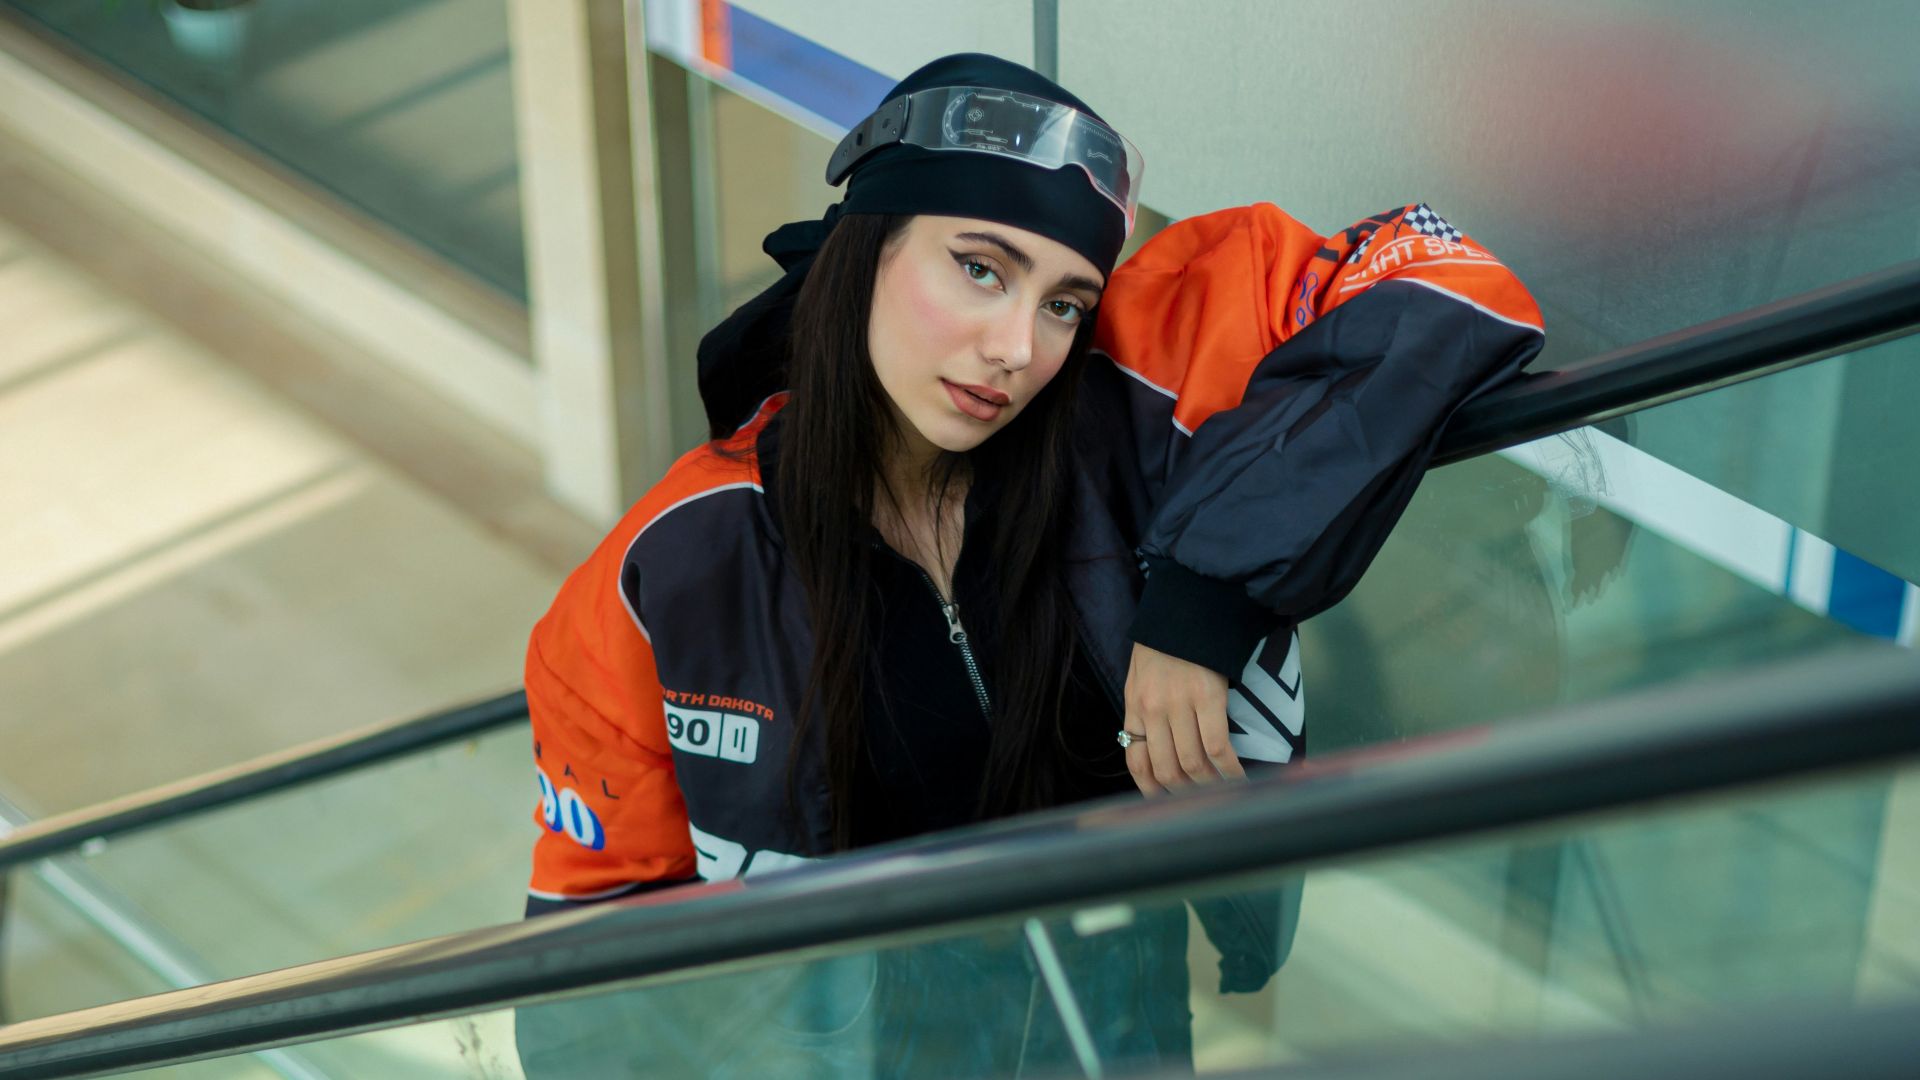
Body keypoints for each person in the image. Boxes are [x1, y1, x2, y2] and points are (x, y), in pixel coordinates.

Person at [517, 52, 1544, 1077]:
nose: (1019, 346)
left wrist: (1207, 594)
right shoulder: (670, 568)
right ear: (866, 249)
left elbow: (1453, 279)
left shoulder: (1122, 408)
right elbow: (589, 965)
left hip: (1118, 1023)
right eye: (980, 267)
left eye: (1063, 303)